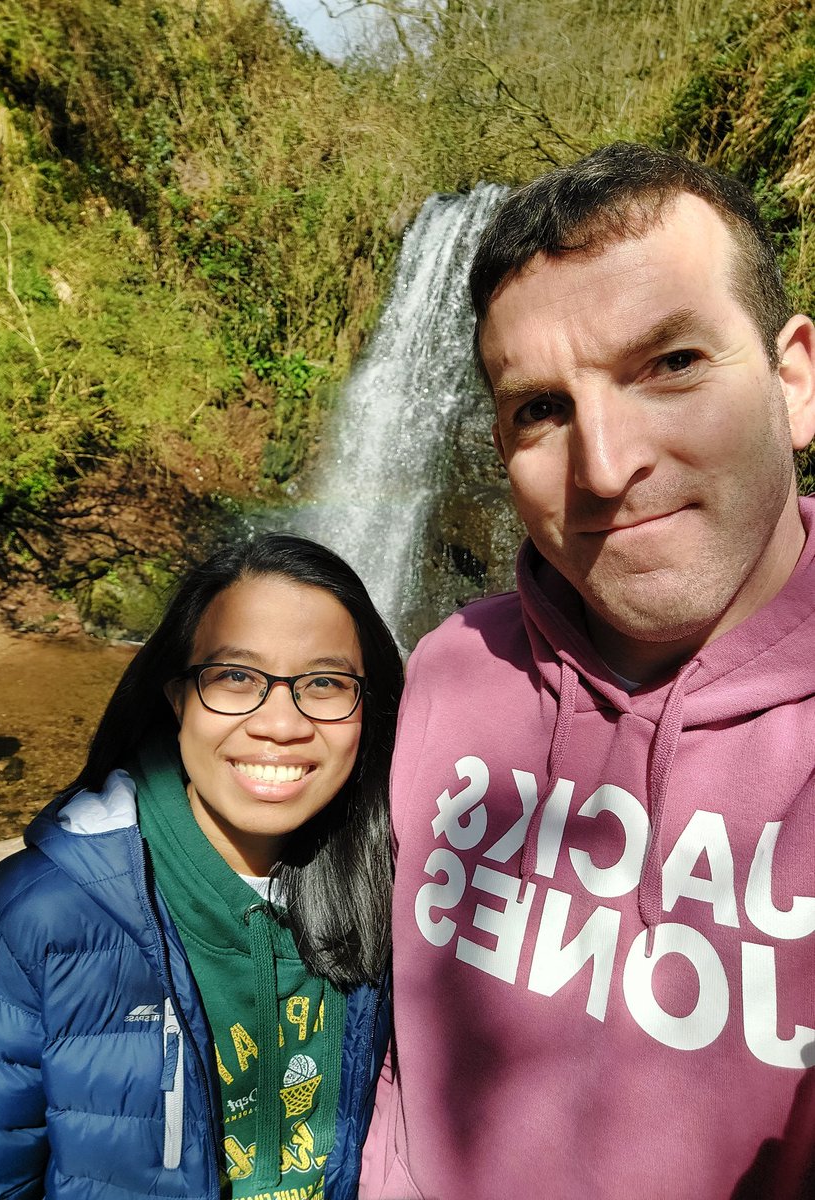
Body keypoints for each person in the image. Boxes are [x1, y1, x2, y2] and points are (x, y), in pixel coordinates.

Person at [360, 142, 815, 1200]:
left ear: (796, 380)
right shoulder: (448, 670)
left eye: (672, 365)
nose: (605, 468)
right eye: (542, 409)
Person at [0, 532, 404, 1200]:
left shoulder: (401, 891)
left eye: (324, 682)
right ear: (177, 697)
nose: (281, 724)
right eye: (236, 677)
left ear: (366, 709)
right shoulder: (34, 923)